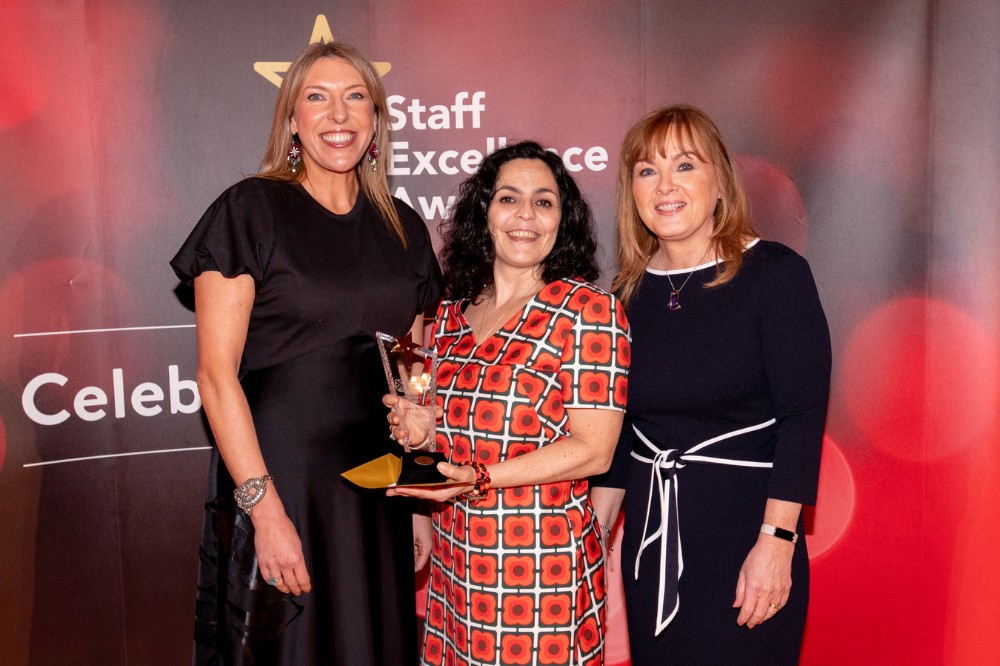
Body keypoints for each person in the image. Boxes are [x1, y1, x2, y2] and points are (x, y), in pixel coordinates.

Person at [170, 42, 442, 665]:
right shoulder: (251, 210)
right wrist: (264, 513)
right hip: (281, 479)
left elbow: (411, 375)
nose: (337, 115)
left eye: (355, 98)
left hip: (377, 491)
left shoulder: (403, 226)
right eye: (316, 97)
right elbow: (216, 378)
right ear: (292, 118)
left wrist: (417, 498)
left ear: (375, 120)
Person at [590, 105, 831, 664]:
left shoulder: (775, 275)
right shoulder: (625, 297)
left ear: (720, 181)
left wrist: (777, 543)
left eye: (685, 166)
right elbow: (623, 435)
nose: (665, 185)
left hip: (749, 539)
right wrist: (594, 540)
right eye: (647, 170)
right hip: (653, 549)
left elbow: (801, 420)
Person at [386, 141, 630, 666]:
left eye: (544, 202)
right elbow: (441, 436)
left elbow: (594, 450)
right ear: (484, 213)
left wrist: (480, 478)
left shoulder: (587, 310)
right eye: (509, 199)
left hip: (541, 569)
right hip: (455, 566)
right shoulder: (448, 316)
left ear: (562, 221)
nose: (525, 215)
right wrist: (416, 429)